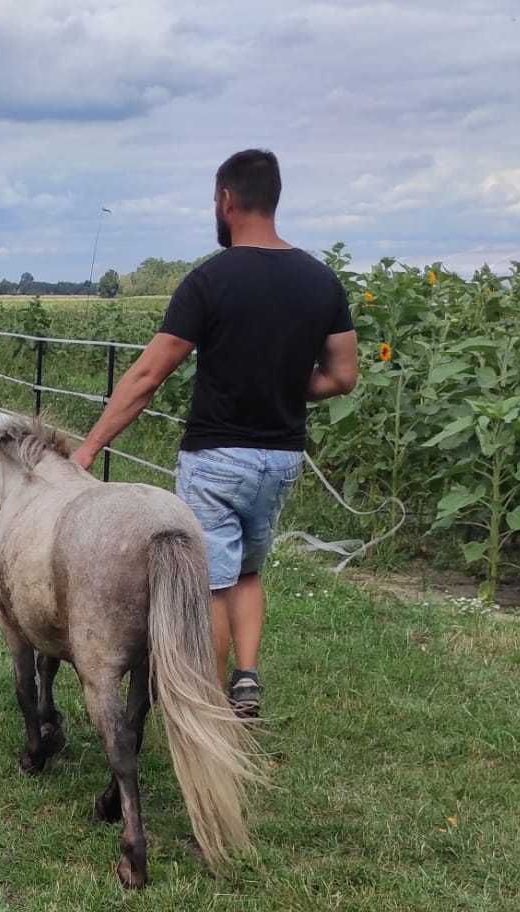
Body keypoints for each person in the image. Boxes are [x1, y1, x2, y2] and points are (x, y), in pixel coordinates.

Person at [72, 149, 358, 717]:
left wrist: (88, 448)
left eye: (213, 200)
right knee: (248, 571)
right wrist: (282, 383)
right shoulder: (320, 280)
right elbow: (343, 375)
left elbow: (148, 375)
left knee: (210, 584)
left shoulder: (209, 280)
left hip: (216, 457)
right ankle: (246, 681)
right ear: (273, 198)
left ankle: (206, 705)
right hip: (281, 459)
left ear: (227, 200)